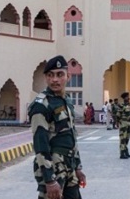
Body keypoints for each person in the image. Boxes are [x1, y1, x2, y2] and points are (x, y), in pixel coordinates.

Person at [28, 55, 86, 199]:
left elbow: (71, 136)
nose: (55, 79)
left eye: (59, 74)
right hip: (53, 170)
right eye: (50, 75)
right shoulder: (41, 105)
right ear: (46, 78)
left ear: (68, 76)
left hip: (69, 168)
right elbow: (40, 144)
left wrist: (78, 167)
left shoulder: (65, 101)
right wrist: (49, 179)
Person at [116, 92, 130, 159]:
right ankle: (122, 154)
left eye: (128, 96)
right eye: (127, 97)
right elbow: (118, 115)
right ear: (124, 98)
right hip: (123, 124)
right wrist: (118, 123)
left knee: (127, 139)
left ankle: (126, 152)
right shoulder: (121, 106)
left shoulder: (129, 106)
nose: (128, 98)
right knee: (123, 139)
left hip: (128, 123)